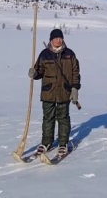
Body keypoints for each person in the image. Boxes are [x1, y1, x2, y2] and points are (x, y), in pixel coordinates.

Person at [28, 28, 81, 156]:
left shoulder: (70, 54)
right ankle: (46, 142)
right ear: (51, 40)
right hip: (48, 92)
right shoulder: (44, 54)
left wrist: (75, 88)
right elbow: (39, 71)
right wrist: (34, 73)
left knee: (63, 118)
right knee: (48, 118)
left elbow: (75, 72)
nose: (58, 40)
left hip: (64, 91)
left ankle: (63, 143)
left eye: (60, 38)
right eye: (56, 38)